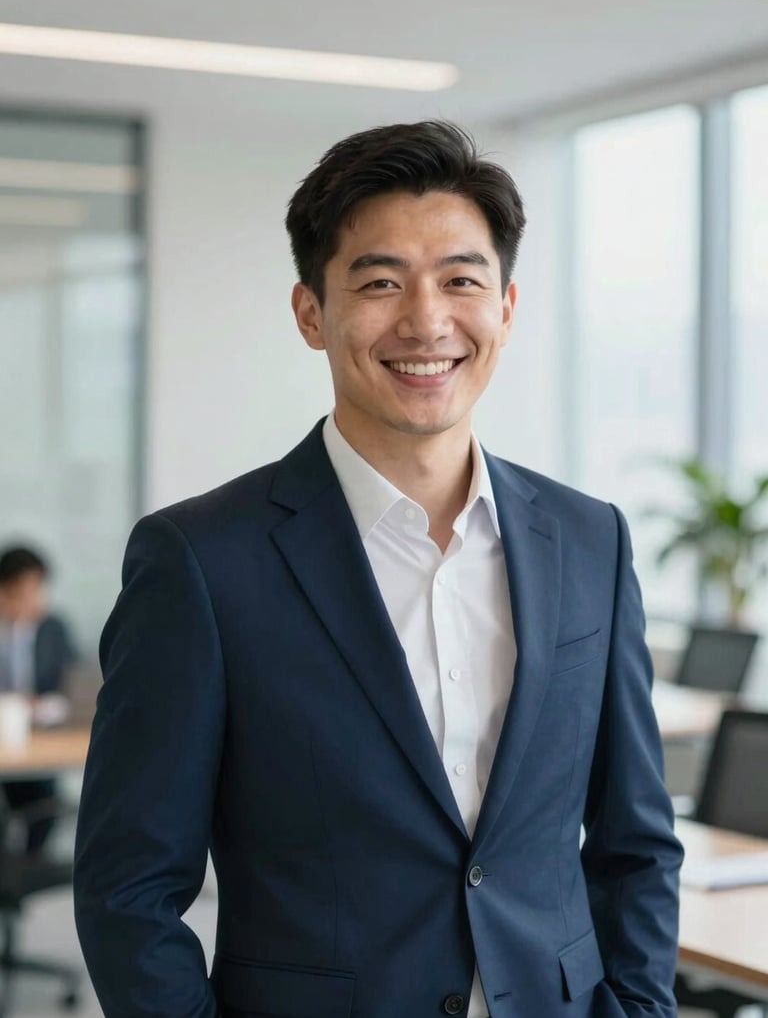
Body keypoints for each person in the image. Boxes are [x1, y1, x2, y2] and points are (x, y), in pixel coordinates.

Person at [73, 121, 682, 1018]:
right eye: (381, 281)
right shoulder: (201, 561)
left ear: (506, 308)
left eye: (462, 280)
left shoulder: (591, 541)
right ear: (311, 311)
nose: (427, 321)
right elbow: (128, 889)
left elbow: (635, 844)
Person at [0, 545, 76, 851]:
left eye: (38, 591)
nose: (34, 601)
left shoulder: (53, 629)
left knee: (45, 806)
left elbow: (73, 690)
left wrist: (41, 704)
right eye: (24, 592)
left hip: (39, 745)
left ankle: (24, 874)